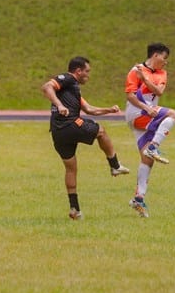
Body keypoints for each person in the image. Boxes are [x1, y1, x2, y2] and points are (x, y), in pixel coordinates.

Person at [41, 56, 129, 220]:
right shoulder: (67, 78)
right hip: (70, 124)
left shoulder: (72, 90)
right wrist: (59, 105)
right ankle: (115, 165)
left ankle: (75, 209)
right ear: (78, 71)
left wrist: (108, 110)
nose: (88, 75)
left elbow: (89, 109)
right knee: (101, 131)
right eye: (87, 71)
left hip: (57, 133)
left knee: (71, 168)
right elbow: (46, 87)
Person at [124, 42, 175, 217]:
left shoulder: (161, 73)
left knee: (147, 159)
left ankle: (138, 198)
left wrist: (146, 79)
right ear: (155, 55)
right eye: (164, 57)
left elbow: (159, 91)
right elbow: (130, 95)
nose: (166, 62)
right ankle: (154, 146)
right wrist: (146, 108)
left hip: (150, 113)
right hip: (137, 112)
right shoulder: (135, 70)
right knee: (174, 114)